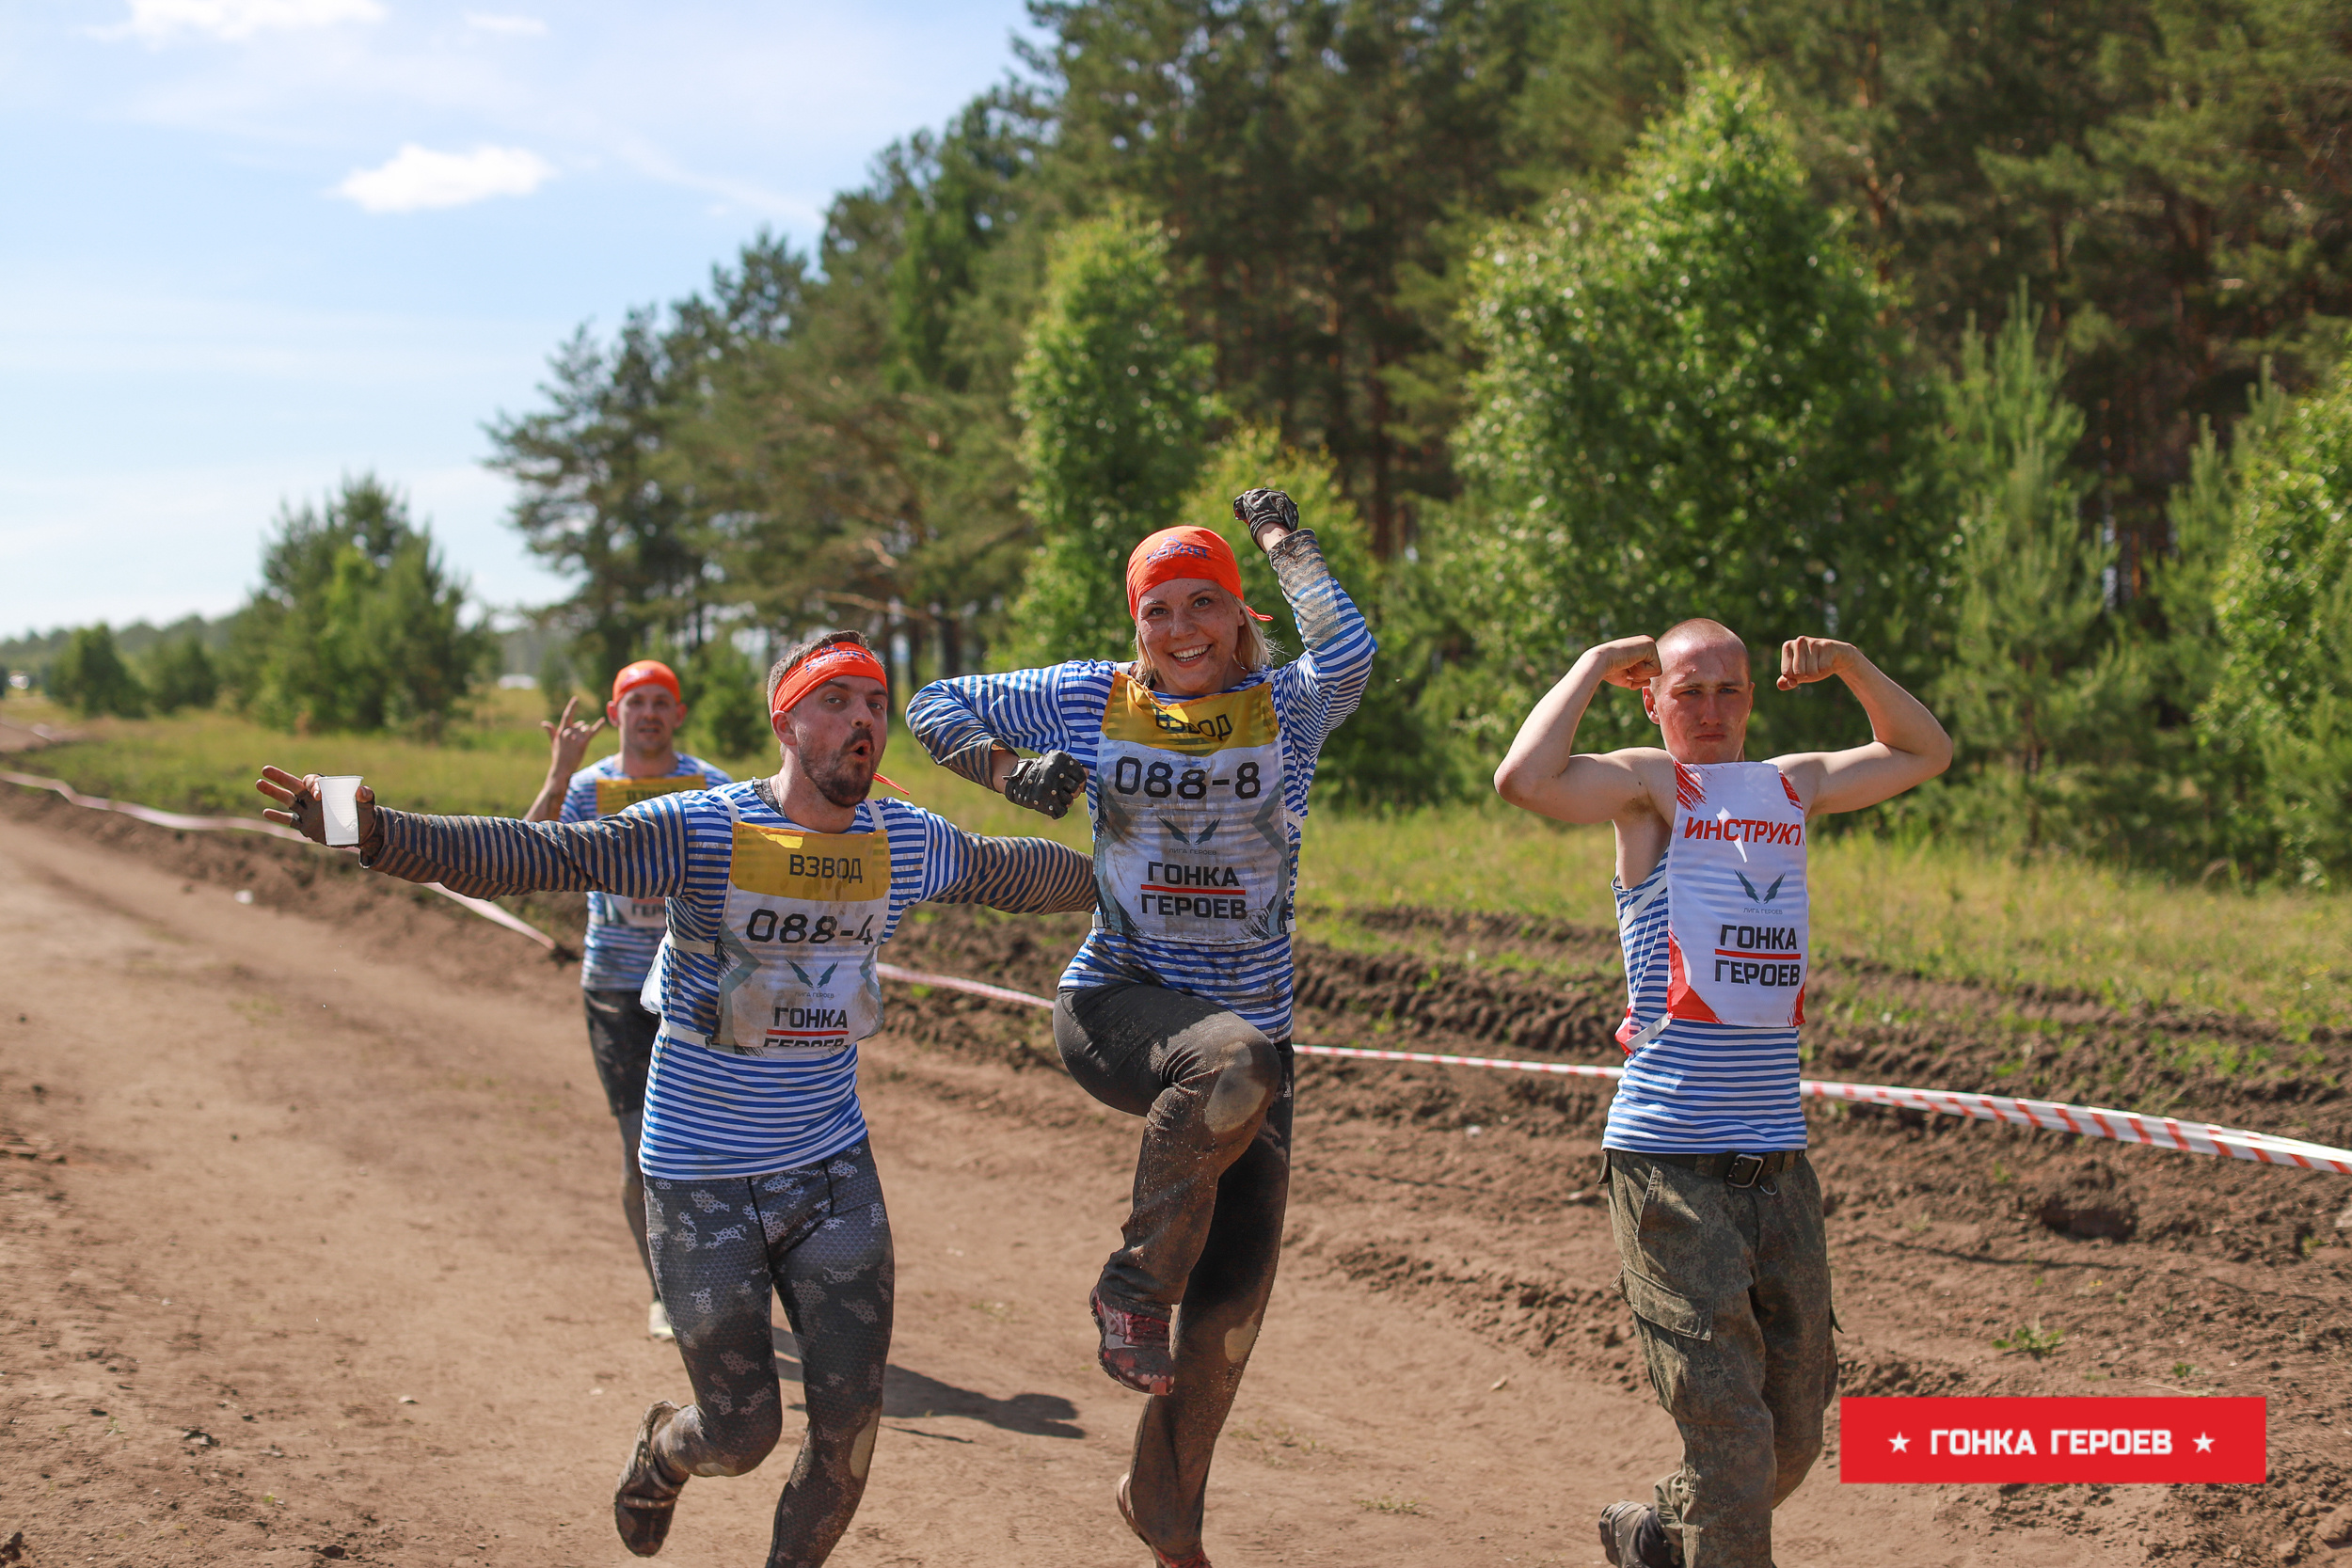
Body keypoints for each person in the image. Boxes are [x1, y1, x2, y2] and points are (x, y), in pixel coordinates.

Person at [256, 630, 1094, 1566]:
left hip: (830, 1169)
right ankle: (663, 1450)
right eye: (836, 700)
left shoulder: (903, 836)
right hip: (702, 1178)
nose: (861, 720)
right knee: (741, 1434)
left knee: (848, 1432)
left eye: (874, 703)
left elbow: (1017, 870)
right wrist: (362, 828)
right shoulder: (701, 826)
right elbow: (532, 857)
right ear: (784, 719)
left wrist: (1125, 886)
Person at [904, 489, 1375, 1568]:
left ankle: (1165, 1509)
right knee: (1230, 1061)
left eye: (1204, 604)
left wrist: (1285, 543)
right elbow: (936, 700)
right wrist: (1005, 771)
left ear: (1240, 614)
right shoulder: (1091, 697)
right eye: (1158, 610)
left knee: (1230, 1322)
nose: (1181, 630)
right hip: (1115, 1004)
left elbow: (1348, 650)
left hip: (1254, 1056)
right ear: (1136, 627)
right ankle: (1132, 1285)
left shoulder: (1286, 707)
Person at [1492, 620, 1951, 1568]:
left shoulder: (1793, 781)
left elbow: (1924, 750)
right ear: (1651, 697)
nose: (1707, 710)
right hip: (1669, 1157)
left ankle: (1658, 1533)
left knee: (1792, 1427)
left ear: (1753, 695)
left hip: (1778, 1160)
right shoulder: (1648, 789)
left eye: (1727, 690)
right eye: (1685, 690)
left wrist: (1854, 666)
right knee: (1734, 1438)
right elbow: (1524, 779)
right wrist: (1587, 665)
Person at [527, 659, 732, 1341]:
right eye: (635, 702)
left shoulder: (711, 787)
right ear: (615, 716)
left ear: (678, 715)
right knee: (638, 1147)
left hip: (699, 987)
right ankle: (664, 1290)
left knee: (714, 1144)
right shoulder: (587, 789)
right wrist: (559, 772)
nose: (648, 712)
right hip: (616, 989)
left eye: (661, 702)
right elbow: (525, 855)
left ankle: (726, 1278)